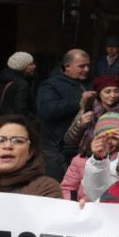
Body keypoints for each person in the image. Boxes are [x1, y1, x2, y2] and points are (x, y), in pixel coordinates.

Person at [35, 48, 91, 178]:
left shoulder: (87, 84)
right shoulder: (50, 85)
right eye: (82, 66)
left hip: (81, 149)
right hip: (56, 151)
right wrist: (80, 101)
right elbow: (47, 110)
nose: (86, 69)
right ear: (67, 67)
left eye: (88, 66)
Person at [0, 51, 37, 118]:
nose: (34, 66)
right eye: (31, 64)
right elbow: (21, 109)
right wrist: (34, 120)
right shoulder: (22, 84)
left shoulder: (5, 79)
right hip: (16, 122)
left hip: (5, 120)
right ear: (22, 66)